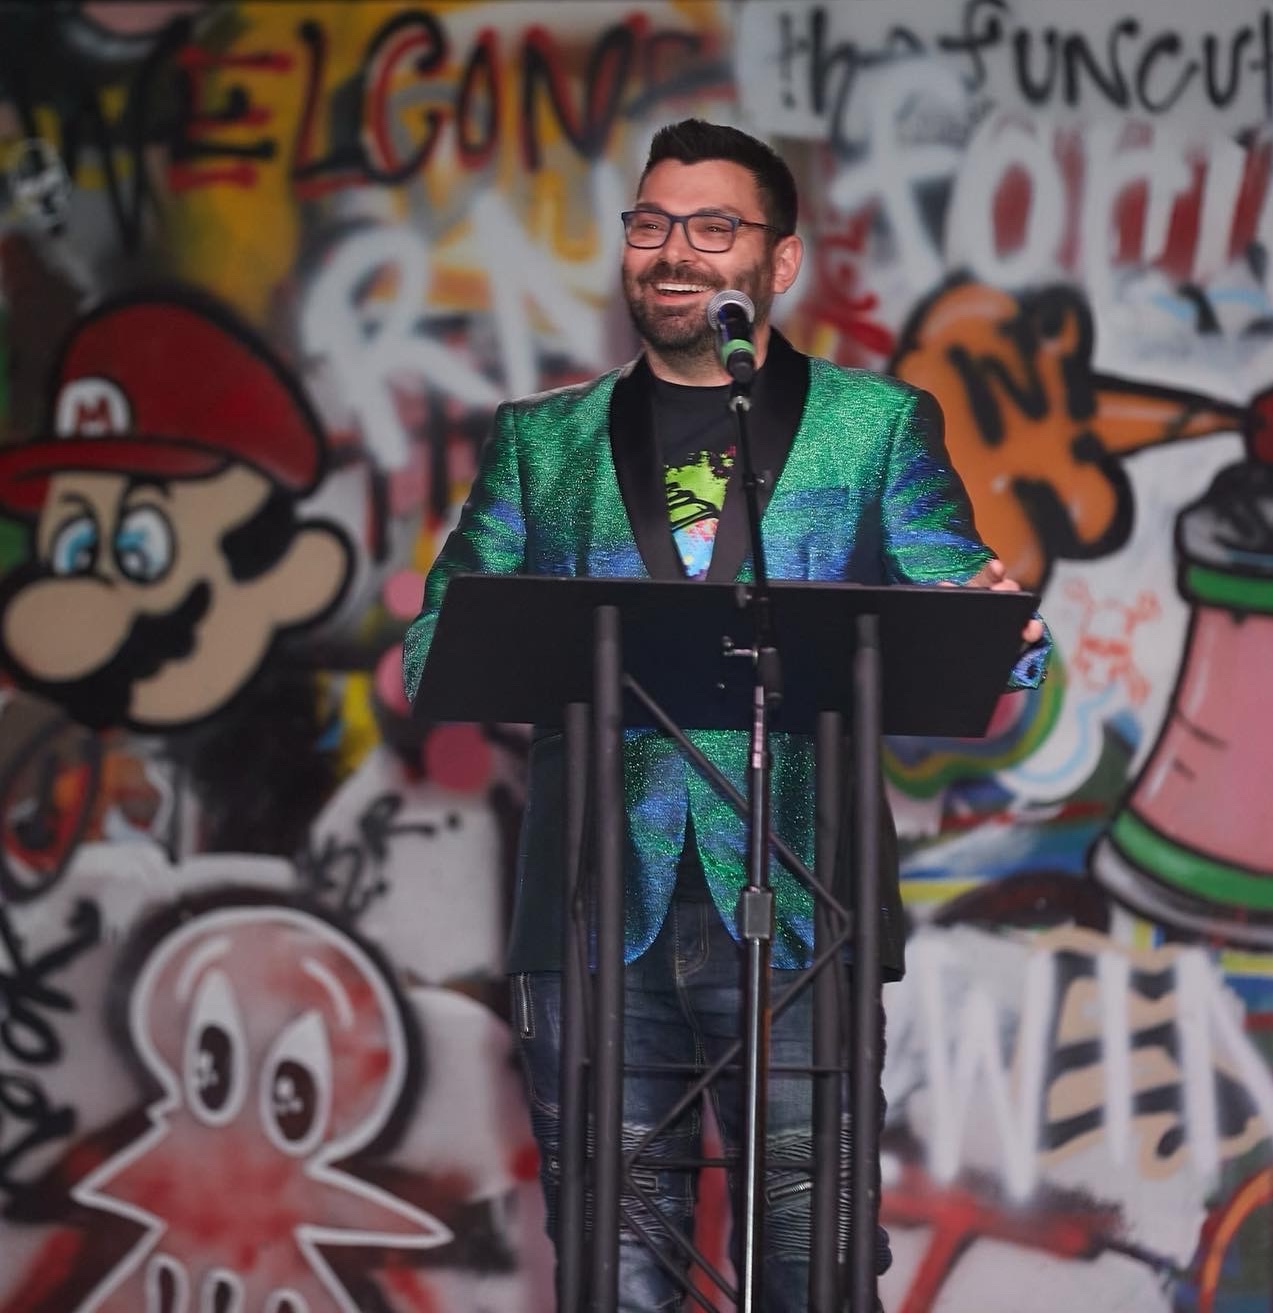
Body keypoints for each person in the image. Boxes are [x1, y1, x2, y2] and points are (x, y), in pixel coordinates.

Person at [403, 118, 1048, 1310]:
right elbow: (439, 642)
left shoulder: (877, 428)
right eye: (651, 225)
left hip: (805, 907)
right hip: (595, 911)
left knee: (810, 1261)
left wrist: (1003, 631)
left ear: (780, 262)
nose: (673, 252)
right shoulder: (542, 445)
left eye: (712, 227)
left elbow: (972, 625)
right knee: (617, 1256)